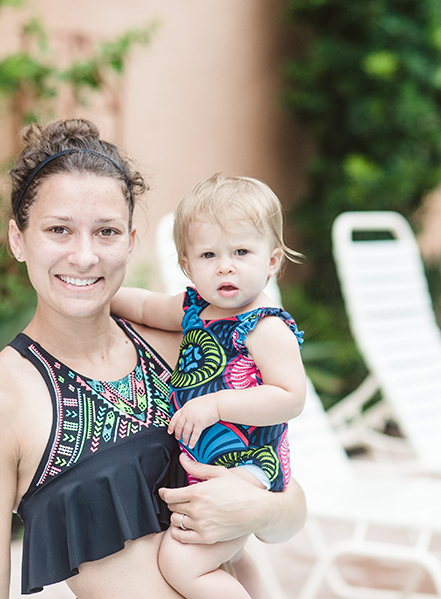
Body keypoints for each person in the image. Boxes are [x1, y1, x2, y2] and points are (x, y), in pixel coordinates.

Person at [0, 119, 308, 599]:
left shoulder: (186, 345)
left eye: (106, 232)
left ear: (131, 241)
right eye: (58, 230)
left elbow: (290, 508)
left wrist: (257, 510)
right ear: (18, 239)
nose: (84, 256)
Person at [110, 174, 307, 599]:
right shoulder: (194, 310)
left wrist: (217, 405)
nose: (225, 266)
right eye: (208, 254)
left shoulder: (265, 327)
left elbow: (290, 398)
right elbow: (144, 305)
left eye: (241, 252)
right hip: (211, 462)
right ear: (187, 266)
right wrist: (101, 296)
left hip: (251, 464)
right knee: (230, 558)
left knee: (180, 561)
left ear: (272, 261)